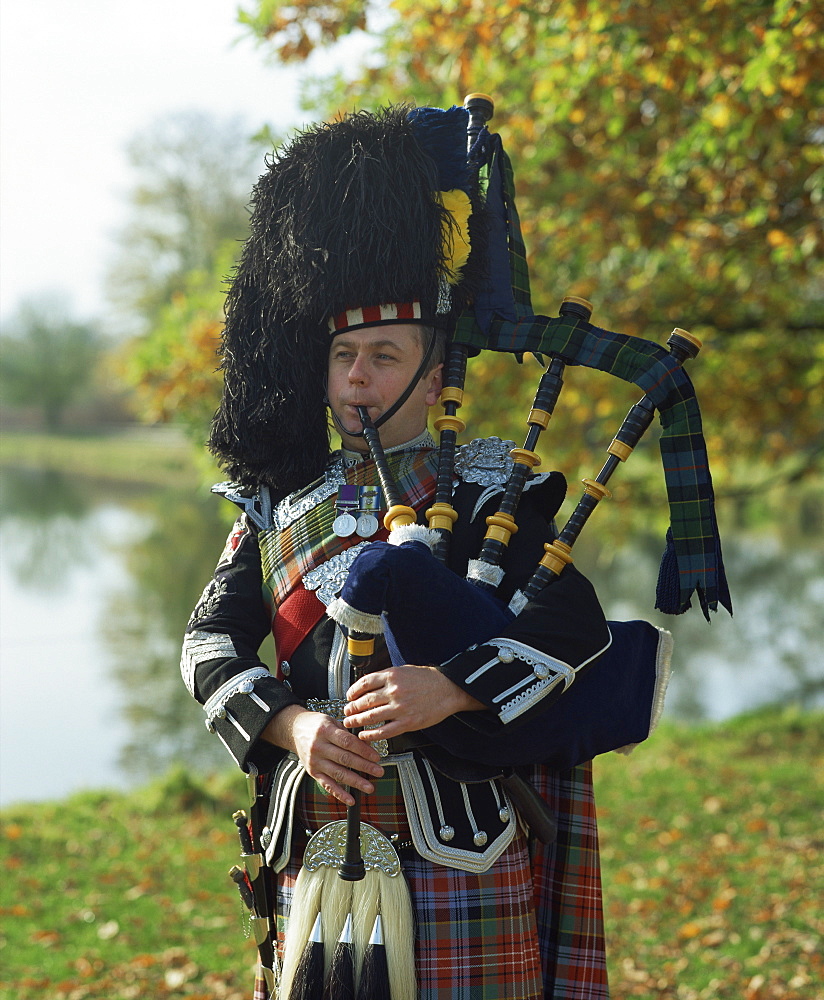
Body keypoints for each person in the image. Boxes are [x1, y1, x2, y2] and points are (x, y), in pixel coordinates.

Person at [181, 105, 675, 1000]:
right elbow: (207, 646)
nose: (358, 377)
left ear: (436, 372)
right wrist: (293, 728)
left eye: (383, 354)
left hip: (462, 847)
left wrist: (450, 687)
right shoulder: (275, 506)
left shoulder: (498, 491)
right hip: (315, 843)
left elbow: (572, 631)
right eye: (344, 356)